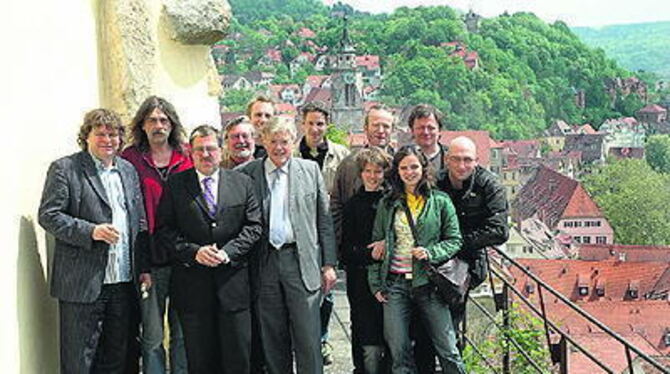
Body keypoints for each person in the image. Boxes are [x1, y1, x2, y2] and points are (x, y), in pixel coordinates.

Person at [38, 108, 150, 373]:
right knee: (80, 361)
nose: (107, 140)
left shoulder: (128, 170)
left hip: (123, 282)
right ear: (86, 136)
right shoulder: (66, 169)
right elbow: (49, 215)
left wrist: (143, 267)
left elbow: (140, 222)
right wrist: (91, 231)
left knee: (117, 358)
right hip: (83, 284)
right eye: (100, 134)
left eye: (113, 134)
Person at [155, 125, 263, 373]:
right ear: (190, 153)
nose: (206, 154)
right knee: (201, 362)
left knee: (238, 360)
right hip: (193, 290)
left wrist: (228, 252)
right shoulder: (176, 185)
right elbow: (164, 230)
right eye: (199, 150)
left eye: (211, 148)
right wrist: (194, 252)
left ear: (221, 149)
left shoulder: (243, 183)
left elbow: (254, 227)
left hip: (233, 288)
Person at [238, 116, 338, 374]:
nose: (279, 148)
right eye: (273, 141)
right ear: (264, 142)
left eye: (285, 141)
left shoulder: (309, 170)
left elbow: (324, 221)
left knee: (308, 338)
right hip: (265, 262)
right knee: (273, 337)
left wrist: (328, 264)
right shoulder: (246, 174)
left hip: (301, 261)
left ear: (294, 142)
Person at [367, 145, 466, 374]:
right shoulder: (388, 203)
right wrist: (375, 284)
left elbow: (454, 240)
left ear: (423, 168)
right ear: (397, 171)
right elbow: (376, 245)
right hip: (395, 284)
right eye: (404, 168)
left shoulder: (440, 201)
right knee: (399, 353)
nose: (409, 172)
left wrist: (431, 253)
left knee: (448, 348)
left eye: (414, 166)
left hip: (429, 285)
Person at [121, 95, 192, 374]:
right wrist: (141, 263)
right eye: (152, 120)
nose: (158, 125)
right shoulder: (130, 159)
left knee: (183, 332)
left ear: (172, 125)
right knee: (151, 334)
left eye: (164, 120)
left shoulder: (186, 156)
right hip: (149, 259)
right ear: (142, 124)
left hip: (184, 258)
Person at [330, 104, 394, 372]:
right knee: (363, 328)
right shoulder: (348, 165)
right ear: (365, 128)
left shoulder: (400, 163)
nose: (380, 130)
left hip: (393, 267)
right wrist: (337, 253)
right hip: (358, 263)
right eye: (375, 125)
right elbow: (336, 207)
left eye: (386, 126)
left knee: (394, 329)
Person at [438, 136, 509, 340]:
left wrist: (458, 243)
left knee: (452, 322)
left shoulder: (489, 185)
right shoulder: (437, 183)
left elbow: (500, 231)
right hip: (438, 259)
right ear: (447, 160)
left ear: (476, 160)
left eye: (467, 159)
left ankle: (452, 358)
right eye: (457, 159)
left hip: (469, 264)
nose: (462, 165)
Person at [295, 101, 350, 364]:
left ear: (327, 124)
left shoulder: (341, 155)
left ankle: (322, 339)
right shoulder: (292, 154)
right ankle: (304, 339)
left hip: (331, 230)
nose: (315, 129)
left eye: (320, 123)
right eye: (310, 123)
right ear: (302, 124)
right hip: (301, 231)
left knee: (327, 288)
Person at [341, 147, 392, 374]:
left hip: (389, 275)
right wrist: (367, 253)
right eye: (368, 171)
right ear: (361, 173)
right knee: (362, 328)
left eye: (378, 171)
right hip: (360, 276)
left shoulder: (391, 202)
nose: (373, 176)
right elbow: (346, 249)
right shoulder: (353, 205)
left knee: (390, 329)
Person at [408, 104, 447, 173]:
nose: (426, 132)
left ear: (439, 130)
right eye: (421, 128)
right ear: (412, 130)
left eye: (431, 128)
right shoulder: (402, 159)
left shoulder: (450, 158)